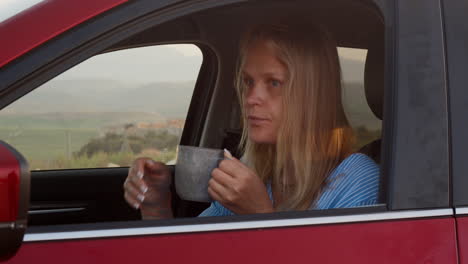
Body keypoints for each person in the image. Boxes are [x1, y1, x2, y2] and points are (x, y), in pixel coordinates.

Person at [123, 22, 380, 220]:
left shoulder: (359, 181)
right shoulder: (258, 173)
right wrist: (155, 203)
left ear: (313, 95)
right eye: (248, 82)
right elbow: (192, 253)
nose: (251, 98)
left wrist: (259, 216)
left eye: (274, 83)